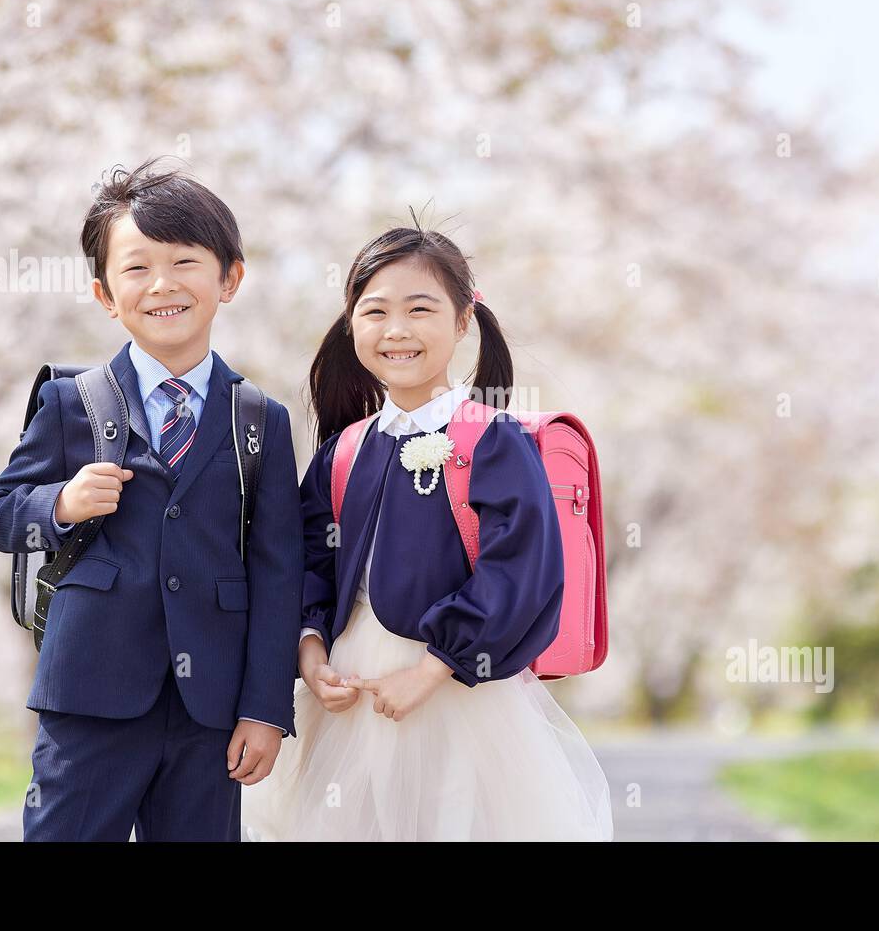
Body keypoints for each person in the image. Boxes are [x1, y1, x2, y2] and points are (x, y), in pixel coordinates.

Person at [240, 221, 613, 840]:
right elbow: (306, 559)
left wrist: (435, 668)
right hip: (352, 690)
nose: (397, 330)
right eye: (375, 311)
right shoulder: (344, 451)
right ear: (351, 324)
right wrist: (309, 651)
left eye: (420, 309)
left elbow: (520, 566)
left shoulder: (490, 438)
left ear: (464, 320)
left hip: (458, 692)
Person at [0, 159, 303, 841]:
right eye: (137, 268)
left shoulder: (259, 420)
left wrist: (266, 709)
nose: (162, 285)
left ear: (229, 279)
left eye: (185, 262)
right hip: (90, 695)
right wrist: (60, 502)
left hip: (210, 710)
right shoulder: (73, 402)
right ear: (104, 295)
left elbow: (279, 574)